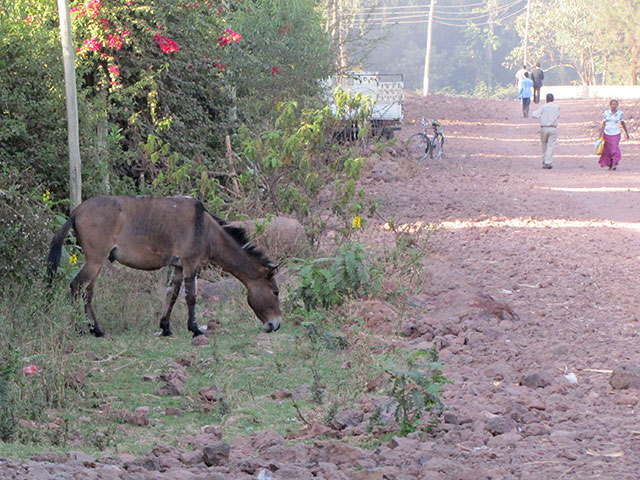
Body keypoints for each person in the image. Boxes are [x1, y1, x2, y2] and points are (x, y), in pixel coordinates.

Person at [599, 99, 630, 171]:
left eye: (615, 104)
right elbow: (604, 123)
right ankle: (610, 164)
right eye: (612, 104)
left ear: (617, 105)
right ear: (610, 105)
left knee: (615, 148)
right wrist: (600, 134)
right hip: (607, 133)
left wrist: (626, 132)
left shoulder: (620, 113)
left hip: (616, 133)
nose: (614, 106)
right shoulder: (606, 113)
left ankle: (614, 163)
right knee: (608, 149)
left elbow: (622, 123)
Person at [531, 93, 560, 169]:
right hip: (553, 128)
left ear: (546, 99)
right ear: (553, 100)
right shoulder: (557, 107)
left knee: (544, 145)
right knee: (551, 145)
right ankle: (548, 162)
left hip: (544, 128)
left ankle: (545, 160)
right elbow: (558, 116)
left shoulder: (543, 107)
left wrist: (540, 116)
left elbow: (534, 115)